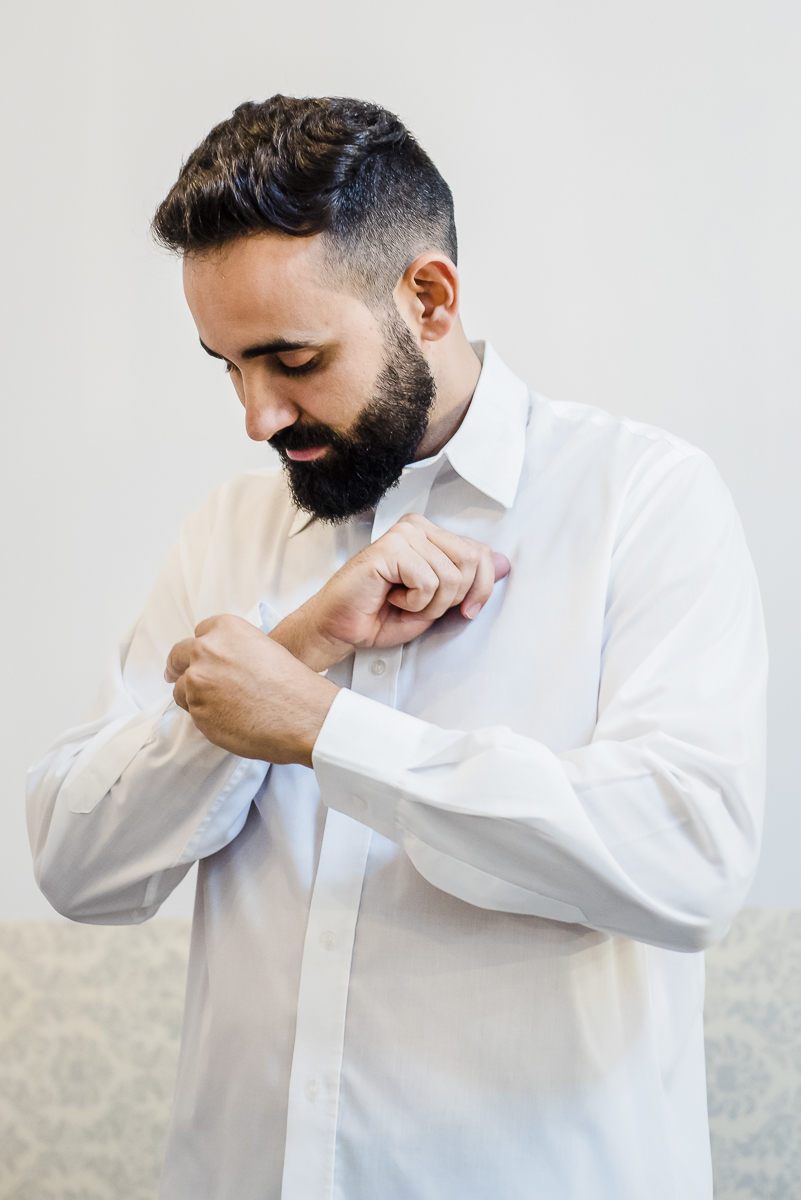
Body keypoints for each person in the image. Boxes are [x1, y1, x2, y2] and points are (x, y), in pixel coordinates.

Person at [27, 95, 767, 1200]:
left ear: (427, 296)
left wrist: (325, 732)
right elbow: (77, 867)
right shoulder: (228, 535)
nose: (256, 417)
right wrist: (289, 658)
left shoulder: (644, 502)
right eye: (226, 366)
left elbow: (690, 856)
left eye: (291, 357)